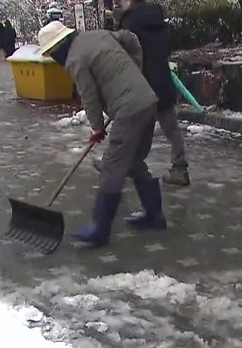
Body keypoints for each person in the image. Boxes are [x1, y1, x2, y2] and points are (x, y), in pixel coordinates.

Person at [38, 21, 167, 247]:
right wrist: (136, 67)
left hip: (129, 109)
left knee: (112, 167)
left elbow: (89, 96)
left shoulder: (74, 59)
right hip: (147, 101)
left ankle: (99, 229)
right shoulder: (98, 35)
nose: (52, 58)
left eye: (51, 53)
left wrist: (96, 127)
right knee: (134, 162)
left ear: (58, 47)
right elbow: (131, 37)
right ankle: (154, 216)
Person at [118, 0, 190, 186]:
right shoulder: (158, 20)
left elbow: (125, 55)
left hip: (142, 81)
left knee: (134, 126)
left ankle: (127, 163)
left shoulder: (130, 23)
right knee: (168, 127)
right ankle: (179, 168)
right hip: (162, 79)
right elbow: (167, 47)